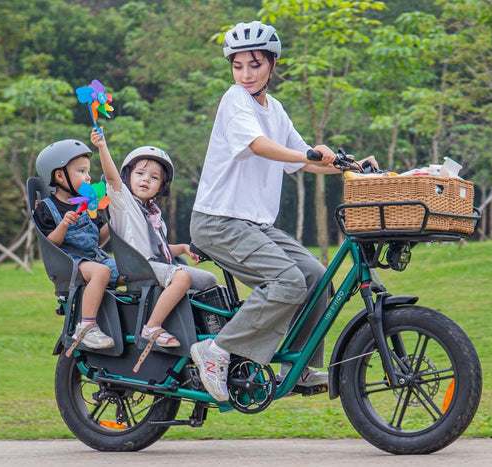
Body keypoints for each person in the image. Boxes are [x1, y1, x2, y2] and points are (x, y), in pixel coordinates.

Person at [189, 20, 377, 401]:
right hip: (218, 221)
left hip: (254, 225)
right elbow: (259, 146)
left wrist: (347, 165)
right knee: (287, 282)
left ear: (272, 64)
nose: (245, 74)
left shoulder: (274, 109)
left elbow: (304, 161)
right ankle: (217, 351)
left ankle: (299, 367)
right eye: (237, 65)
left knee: (315, 276)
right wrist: (308, 153)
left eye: (254, 65)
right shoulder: (234, 101)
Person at [91, 128, 217, 348]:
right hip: (138, 267)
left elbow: (158, 247)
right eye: (140, 174)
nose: (145, 180)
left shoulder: (153, 213)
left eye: (154, 177)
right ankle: (152, 327)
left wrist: (184, 248)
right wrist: (102, 147)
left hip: (156, 263)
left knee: (209, 281)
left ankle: (194, 329)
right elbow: (111, 177)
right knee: (182, 278)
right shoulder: (124, 203)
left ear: (161, 186)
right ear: (128, 176)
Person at [33, 139, 121, 350]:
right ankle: (87, 326)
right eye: (81, 171)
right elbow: (50, 244)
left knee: (132, 270)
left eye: (88, 172)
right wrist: (63, 224)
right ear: (60, 176)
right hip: (69, 262)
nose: (88, 177)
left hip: (94, 258)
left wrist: (113, 222)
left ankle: (128, 322)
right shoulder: (48, 207)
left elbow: (97, 240)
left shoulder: (87, 204)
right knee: (101, 273)